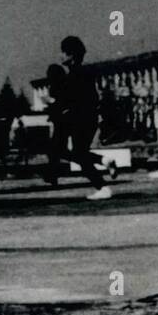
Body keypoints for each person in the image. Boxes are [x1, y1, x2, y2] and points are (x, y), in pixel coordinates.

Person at [47, 36, 111, 200]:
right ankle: (103, 163)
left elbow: (71, 100)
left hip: (81, 119)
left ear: (71, 55)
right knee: (76, 152)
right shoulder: (82, 73)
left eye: (63, 52)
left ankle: (102, 186)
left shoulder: (75, 76)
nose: (60, 55)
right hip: (87, 118)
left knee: (77, 154)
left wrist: (56, 104)